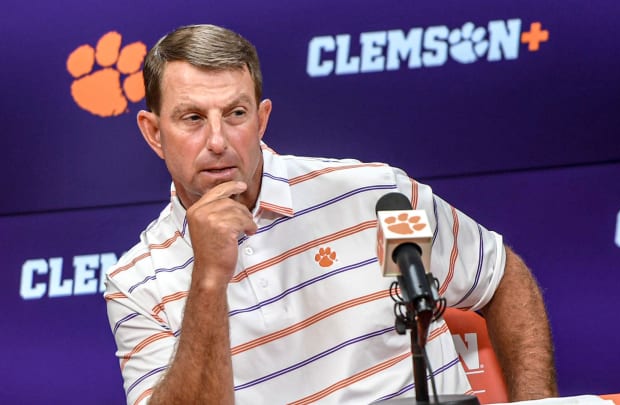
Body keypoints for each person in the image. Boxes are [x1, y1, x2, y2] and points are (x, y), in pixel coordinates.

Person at [105, 24, 558, 405]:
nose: (219, 140)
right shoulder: (136, 283)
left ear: (261, 120)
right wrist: (208, 278)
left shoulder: (373, 196)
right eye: (192, 118)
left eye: (236, 113)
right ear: (154, 133)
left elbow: (499, 276)